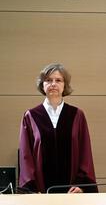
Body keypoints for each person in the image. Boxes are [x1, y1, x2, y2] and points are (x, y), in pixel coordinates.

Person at [19, 63, 98, 193]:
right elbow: (25, 156)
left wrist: (81, 185)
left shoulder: (76, 115)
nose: (53, 84)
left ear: (64, 85)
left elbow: (85, 153)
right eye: (48, 80)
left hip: (72, 193)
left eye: (58, 80)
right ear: (42, 85)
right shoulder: (31, 115)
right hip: (40, 193)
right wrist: (31, 190)